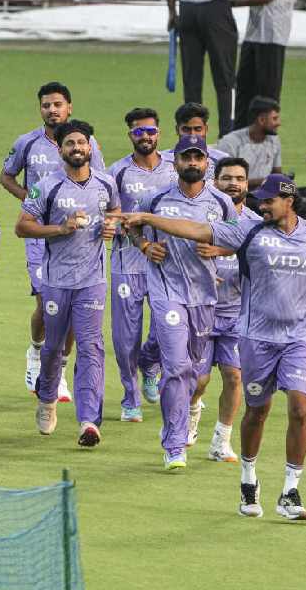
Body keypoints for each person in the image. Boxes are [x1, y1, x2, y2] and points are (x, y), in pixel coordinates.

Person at [121, 173, 306, 520]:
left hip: (300, 339)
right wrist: (146, 219)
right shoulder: (249, 232)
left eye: (268, 200)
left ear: (288, 201)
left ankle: (291, 491)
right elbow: (196, 230)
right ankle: (249, 481)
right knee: (257, 412)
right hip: (257, 339)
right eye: (259, 200)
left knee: (300, 409)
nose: (261, 205)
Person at [123, 134, 236, 470]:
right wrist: (144, 246)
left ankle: (176, 416)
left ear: (206, 163)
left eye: (197, 158)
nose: (191, 163)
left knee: (195, 374)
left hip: (204, 297)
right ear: (176, 163)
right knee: (177, 367)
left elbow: (237, 241)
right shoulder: (156, 198)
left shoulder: (221, 202)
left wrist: (219, 250)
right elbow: (132, 226)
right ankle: (174, 445)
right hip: (166, 291)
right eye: (186, 157)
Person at [15, 120, 120, 447]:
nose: (77, 148)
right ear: (60, 149)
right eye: (70, 143)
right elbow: (22, 227)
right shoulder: (45, 186)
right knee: (53, 348)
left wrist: (111, 227)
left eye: (82, 143)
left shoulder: (106, 183)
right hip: (57, 281)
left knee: (91, 348)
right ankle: (47, 398)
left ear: (91, 147)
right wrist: (60, 229)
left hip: (92, 281)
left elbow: (115, 212)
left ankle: (89, 421)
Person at [0, 81, 106, 402]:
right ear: (40, 109)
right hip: (41, 238)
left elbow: (101, 184)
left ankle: (58, 370)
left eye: (58, 104)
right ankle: (36, 352)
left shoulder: (87, 143)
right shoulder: (27, 143)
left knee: (73, 310)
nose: (52, 110)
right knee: (45, 304)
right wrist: (33, 205)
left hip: (78, 240)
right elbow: (7, 177)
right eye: (46, 105)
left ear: (69, 107)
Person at [187, 157, 262, 461]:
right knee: (199, 380)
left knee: (234, 377)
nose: (233, 183)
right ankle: (192, 412)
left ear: (246, 184)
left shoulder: (257, 225)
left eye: (240, 178)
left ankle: (221, 441)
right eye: (227, 178)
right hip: (201, 310)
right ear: (213, 181)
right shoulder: (200, 220)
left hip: (238, 315)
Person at [106, 107, 175, 422]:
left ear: (159, 133)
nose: (145, 137)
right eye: (138, 132)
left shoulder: (175, 168)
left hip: (168, 261)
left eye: (150, 131)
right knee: (124, 337)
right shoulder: (117, 172)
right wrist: (117, 226)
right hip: (128, 260)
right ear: (129, 135)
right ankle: (130, 396)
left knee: (168, 325)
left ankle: (150, 362)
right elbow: (108, 213)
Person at [167, 0, 237, 138]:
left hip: (187, 8)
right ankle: (227, 136)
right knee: (225, 79)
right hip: (216, 6)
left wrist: (172, 11)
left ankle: (192, 137)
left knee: (191, 80)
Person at [232, 0, 295, 129]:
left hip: (273, 35)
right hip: (252, 34)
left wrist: (233, 3)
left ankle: (266, 142)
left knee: (267, 95)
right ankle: (239, 138)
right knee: (243, 89)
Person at [217, 96, 282, 188]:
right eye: (274, 119)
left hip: (266, 194)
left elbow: (277, 175)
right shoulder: (230, 143)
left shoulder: (274, 140)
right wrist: (264, 181)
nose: (279, 123)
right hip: (240, 195)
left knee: (303, 192)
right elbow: (225, 181)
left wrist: (285, 183)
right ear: (261, 120)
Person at [161, 102, 229, 180]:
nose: (192, 134)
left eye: (198, 129)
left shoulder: (222, 160)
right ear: (177, 130)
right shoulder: (163, 160)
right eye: (186, 129)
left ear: (206, 129)